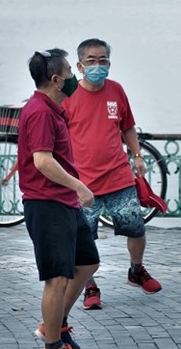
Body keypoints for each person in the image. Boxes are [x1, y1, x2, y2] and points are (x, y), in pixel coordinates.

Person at [62, 38, 162, 310]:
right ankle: (90, 286)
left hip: (119, 176)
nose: (98, 65)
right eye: (91, 61)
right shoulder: (68, 97)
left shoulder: (116, 91)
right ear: (80, 65)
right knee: (83, 240)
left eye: (103, 60)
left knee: (137, 229)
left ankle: (136, 270)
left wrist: (137, 156)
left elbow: (128, 126)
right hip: (83, 183)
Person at [18, 49, 100, 349]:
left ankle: (54, 323)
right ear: (55, 80)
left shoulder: (53, 109)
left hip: (64, 203)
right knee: (56, 278)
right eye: (69, 72)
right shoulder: (39, 111)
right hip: (47, 204)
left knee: (86, 263)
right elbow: (42, 161)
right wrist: (79, 186)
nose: (74, 77)